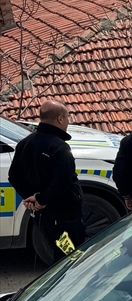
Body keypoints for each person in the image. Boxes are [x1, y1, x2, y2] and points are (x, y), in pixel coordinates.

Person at [8, 101, 86, 258]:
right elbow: (63, 181)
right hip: (65, 216)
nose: (68, 122)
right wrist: (40, 199)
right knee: (70, 256)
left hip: (43, 217)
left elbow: (14, 176)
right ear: (60, 119)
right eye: (67, 117)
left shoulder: (25, 143)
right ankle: (67, 280)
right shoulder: (59, 147)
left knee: (59, 248)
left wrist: (32, 198)